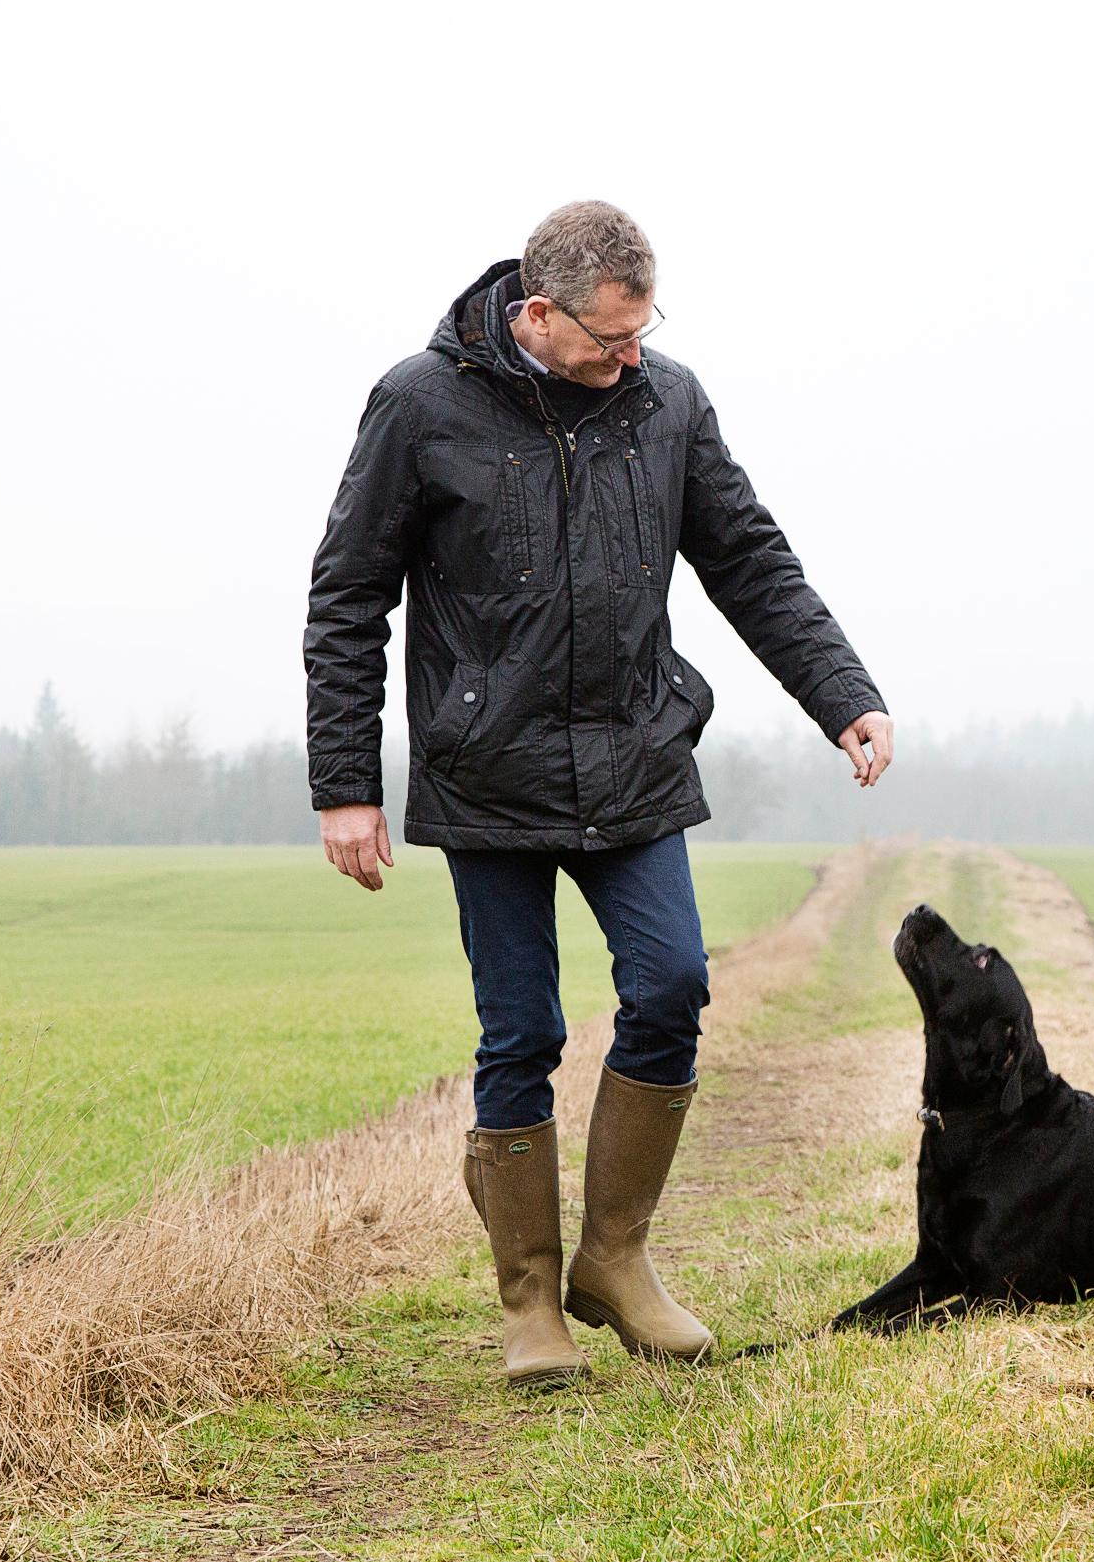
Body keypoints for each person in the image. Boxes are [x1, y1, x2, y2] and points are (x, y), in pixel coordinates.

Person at [303, 201, 892, 1387]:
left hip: (633, 760)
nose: (631, 358)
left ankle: (613, 1258)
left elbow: (747, 557)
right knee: (518, 1030)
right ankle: (529, 1302)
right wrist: (344, 785)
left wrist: (842, 692)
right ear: (535, 313)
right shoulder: (417, 404)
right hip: (490, 773)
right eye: (609, 339)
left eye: (643, 331)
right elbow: (348, 593)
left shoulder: (667, 401)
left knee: (671, 983)